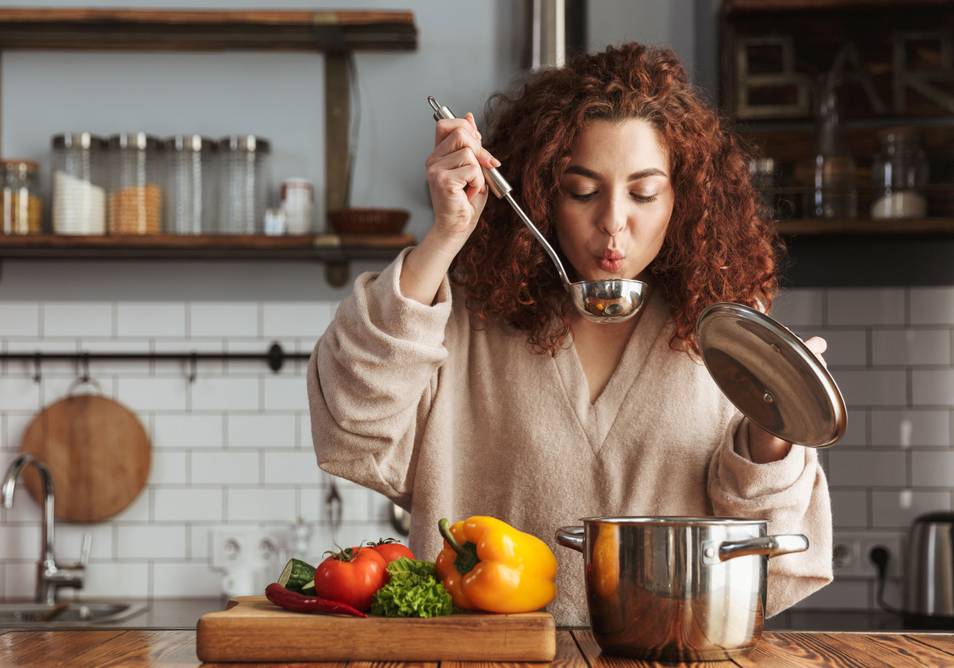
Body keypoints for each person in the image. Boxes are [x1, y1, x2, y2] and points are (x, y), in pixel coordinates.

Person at [307, 43, 832, 625]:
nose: (613, 222)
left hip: (668, 655)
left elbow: (769, 544)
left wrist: (774, 428)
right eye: (582, 191)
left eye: (643, 193)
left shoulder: (728, 333)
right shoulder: (462, 320)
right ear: (541, 193)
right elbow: (353, 424)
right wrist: (445, 236)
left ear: (683, 199)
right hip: (484, 657)